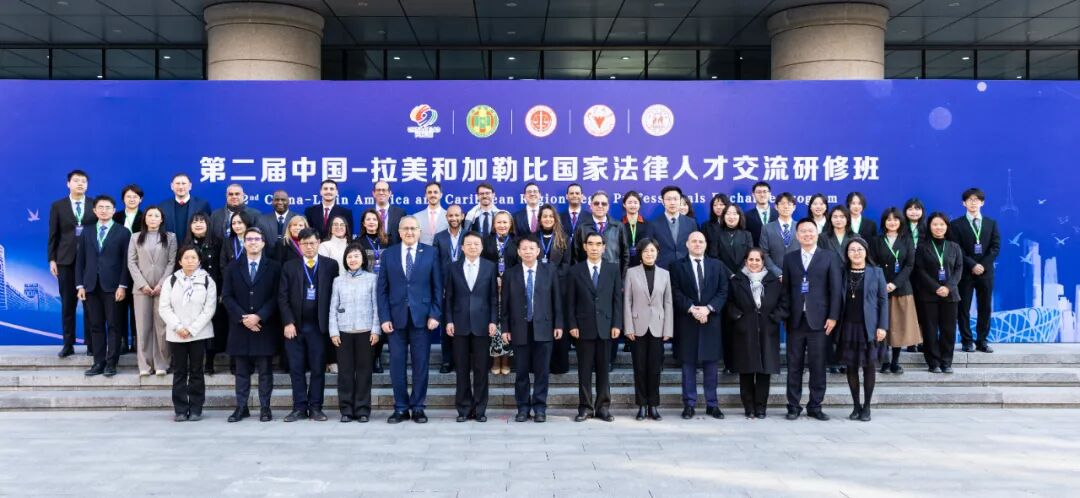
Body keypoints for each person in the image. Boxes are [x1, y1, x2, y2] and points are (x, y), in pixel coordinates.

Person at [377, 216, 443, 424]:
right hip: (395, 320)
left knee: (420, 365)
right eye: (405, 228)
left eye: (413, 228)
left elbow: (437, 287)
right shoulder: (389, 254)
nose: (409, 232)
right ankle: (401, 408)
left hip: (422, 319)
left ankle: (418, 407)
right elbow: (382, 290)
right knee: (396, 366)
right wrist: (384, 317)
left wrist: (435, 314)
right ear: (399, 231)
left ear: (419, 231)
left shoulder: (431, 253)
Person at [781, 218, 842, 421]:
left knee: (818, 366)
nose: (807, 234)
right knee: (794, 365)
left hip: (821, 321)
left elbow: (835, 290)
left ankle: (815, 406)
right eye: (803, 231)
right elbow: (786, 291)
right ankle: (793, 406)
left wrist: (833, 316)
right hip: (796, 321)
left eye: (811, 231)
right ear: (797, 235)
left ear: (817, 234)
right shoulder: (789, 258)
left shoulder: (829, 257)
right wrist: (786, 316)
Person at [278, 228, 339, 422]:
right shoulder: (289, 266)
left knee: (318, 369)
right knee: (296, 369)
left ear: (319, 242)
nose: (309, 247)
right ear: (299, 245)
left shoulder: (331, 265)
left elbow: (335, 296)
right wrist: (288, 321)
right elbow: (282, 297)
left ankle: (315, 408)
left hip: (318, 328)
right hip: (295, 327)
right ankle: (299, 408)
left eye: (312, 243)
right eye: (304, 244)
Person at [501, 236, 563, 423]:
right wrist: (505, 328)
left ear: (538, 251)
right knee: (521, 372)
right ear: (518, 252)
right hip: (519, 328)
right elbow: (505, 304)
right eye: (524, 248)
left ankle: (540, 408)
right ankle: (522, 408)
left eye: (531, 248)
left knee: (542, 372)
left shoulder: (549, 271)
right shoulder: (510, 274)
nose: (528, 251)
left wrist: (558, 324)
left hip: (544, 327)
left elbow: (556, 300)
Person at [221, 227, 280, 423]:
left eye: (256, 239)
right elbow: (227, 296)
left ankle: (265, 408)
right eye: (249, 239)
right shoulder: (232, 267)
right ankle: (241, 407)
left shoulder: (274, 267)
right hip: (240, 327)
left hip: (264, 327)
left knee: (265, 372)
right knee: (241, 372)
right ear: (244, 243)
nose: (253, 242)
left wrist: (259, 316)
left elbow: (277, 296)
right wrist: (244, 318)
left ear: (263, 243)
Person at [670, 231, 729, 420]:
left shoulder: (717, 265)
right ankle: (689, 404)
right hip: (687, 321)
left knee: (711, 367)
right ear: (687, 244)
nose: (697, 244)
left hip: (711, 321)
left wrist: (708, 309)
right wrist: (692, 309)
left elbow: (723, 291)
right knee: (688, 366)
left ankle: (712, 404)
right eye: (694, 241)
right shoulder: (676, 266)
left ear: (706, 244)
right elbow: (675, 291)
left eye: (701, 241)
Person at [567, 232, 623, 422]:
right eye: (590, 244)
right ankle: (585, 407)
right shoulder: (575, 270)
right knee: (584, 370)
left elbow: (617, 300)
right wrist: (572, 324)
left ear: (604, 247)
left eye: (598, 244)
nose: (594, 247)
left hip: (606, 327)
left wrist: (617, 323)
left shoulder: (612, 269)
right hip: (583, 328)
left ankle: (603, 407)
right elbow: (570, 301)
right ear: (584, 247)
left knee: (603, 370)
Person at [443, 232, 499, 423]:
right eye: (469, 244)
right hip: (459, 324)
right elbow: (448, 298)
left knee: (481, 369)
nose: (473, 247)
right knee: (462, 369)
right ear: (462, 247)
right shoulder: (453, 267)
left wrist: (493, 321)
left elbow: (493, 297)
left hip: (483, 324)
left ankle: (480, 409)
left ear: (482, 247)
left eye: (476, 244)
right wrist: (449, 321)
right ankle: (464, 409)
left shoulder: (490, 267)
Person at [158, 245, 217, 422]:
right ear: (179, 261)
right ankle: (181, 409)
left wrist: (192, 329)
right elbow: (164, 307)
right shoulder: (171, 281)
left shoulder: (207, 281)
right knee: (179, 371)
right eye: (186, 258)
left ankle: (196, 408)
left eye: (193, 258)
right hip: (177, 334)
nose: (190, 261)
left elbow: (209, 308)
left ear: (199, 261)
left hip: (199, 333)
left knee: (197, 371)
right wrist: (178, 327)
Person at [726, 248, 786, 419]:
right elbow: (729, 303)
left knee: (764, 372)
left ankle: (761, 407)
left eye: (757, 260)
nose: (754, 263)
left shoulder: (774, 281)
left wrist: (774, 318)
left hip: (767, 330)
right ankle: (749, 407)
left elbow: (784, 303)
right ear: (746, 261)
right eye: (750, 260)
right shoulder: (736, 280)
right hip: (744, 330)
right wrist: (738, 317)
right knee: (746, 370)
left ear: (763, 262)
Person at [76, 195, 132, 377]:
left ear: (114, 210)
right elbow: (80, 261)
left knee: (114, 325)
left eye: (108, 207)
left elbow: (126, 262)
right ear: (94, 210)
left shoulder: (123, 232)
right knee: (95, 325)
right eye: (100, 207)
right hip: (91, 286)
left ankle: (111, 363)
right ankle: (98, 362)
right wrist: (80, 285)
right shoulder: (87, 232)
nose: (104, 210)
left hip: (114, 287)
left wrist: (123, 285)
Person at [328, 244, 380, 423]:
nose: (353, 259)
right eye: (349, 256)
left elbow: (376, 307)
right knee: (345, 373)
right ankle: (346, 410)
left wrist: (376, 330)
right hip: (343, 332)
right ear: (345, 260)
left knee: (364, 372)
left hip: (366, 331)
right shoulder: (338, 280)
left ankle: (363, 409)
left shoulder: (372, 279)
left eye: (356, 256)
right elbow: (333, 307)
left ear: (363, 259)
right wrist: (334, 331)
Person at [837, 238, 888, 422]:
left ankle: (867, 407)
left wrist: (882, 326)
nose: (856, 253)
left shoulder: (876, 272)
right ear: (847, 253)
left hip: (869, 327)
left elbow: (883, 300)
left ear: (866, 252)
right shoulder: (842, 272)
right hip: (848, 326)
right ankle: (856, 406)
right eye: (852, 250)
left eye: (860, 249)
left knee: (868, 367)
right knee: (851, 368)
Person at [623, 238, 672, 421]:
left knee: (655, 369)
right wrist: (628, 327)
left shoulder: (665, 274)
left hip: (658, 327)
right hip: (637, 327)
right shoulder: (631, 273)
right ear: (640, 254)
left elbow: (668, 302)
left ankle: (653, 405)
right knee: (640, 368)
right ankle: (642, 405)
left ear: (657, 253)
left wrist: (668, 329)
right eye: (645, 251)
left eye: (652, 250)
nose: (649, 254)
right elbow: (627, 301)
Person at [126, 206, 178, 376]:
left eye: (156, 215)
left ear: (161, 219)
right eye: (150, 215)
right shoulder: (135, 237)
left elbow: (172, 262)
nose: (153, 218)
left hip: (163, 289)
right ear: (145, 219)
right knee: (143, 328)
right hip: (141, 290)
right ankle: (145, 366)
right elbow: (131, 263)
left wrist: (161, 284)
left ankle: (162, 363)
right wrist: (143, 285)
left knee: (161, 328)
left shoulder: (170, 237)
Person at [949, 187, 1001, 354]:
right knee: (963, 307)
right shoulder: (955, 225)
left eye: (976, 200)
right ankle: (967, 341)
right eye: (970, 200)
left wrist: (982, 265)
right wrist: (972, 265)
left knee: (985, 307)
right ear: (963, 203)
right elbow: (957, 248)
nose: (973, 203)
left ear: (982, 203)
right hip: (965, 272)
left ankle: (982, 341)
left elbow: (995, 247)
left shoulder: (991, 223)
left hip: (986, 272)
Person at [703, 203, 753, 374]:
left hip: (743, 282)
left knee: (742, 323)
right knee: (726, 324)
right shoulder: (717, 234)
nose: (731, 217)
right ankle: (728, 362)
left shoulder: (747, 235)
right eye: (728, 214)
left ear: (740, 217)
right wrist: (730, 274)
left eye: (735, 214)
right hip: (723, 282)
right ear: (723, 217)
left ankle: (741, 361)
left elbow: (750, 257)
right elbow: (714, 257)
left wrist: (739, 274)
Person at [871, 208, 922, 374]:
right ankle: (885, 362)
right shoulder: (876, 240)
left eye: (895, 219)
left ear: (900, 222)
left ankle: (895, 362)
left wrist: (895, 283)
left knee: (899, 326)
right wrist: (882, 283)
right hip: (880, 289)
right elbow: (872, 263)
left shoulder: (907, 240)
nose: (892, 222)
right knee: (882, 325)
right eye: (888, 219)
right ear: (884, 222)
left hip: (901, 289)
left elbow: (909, 265)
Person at [50, 169, 94, 358]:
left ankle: (92, 344)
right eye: (76, 180)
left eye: (83, 181)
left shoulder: (94, 204)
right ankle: (68, 344)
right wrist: (52, 259)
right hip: (65, 261)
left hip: (89, 261)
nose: (80, 183)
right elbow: (53, 235)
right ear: (68, 183)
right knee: (68, 304)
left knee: (91, 305)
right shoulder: (58, 206)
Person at [914, 213, 964, 374]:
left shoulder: (954, 247)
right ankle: (933, 362)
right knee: (930, 330)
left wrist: (948, 287)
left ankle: (946, 362)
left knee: (948, 330)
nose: (938, 227)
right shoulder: (922, 247)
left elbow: (958, 269)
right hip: (928, 295)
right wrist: (936, 287)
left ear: (947, 227)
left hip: (950, 295)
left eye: (942, 224)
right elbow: (919, 270)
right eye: (935, 224)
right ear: (929, 227)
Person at [183, 213, 227, 375]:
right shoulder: (185, 245)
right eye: (195, 222)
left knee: (211, 327)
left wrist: (222, 292)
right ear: (190, 226)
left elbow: (222, 269)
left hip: (212, 293)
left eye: (202, 221)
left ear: (208, 224)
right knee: (192, 326)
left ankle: (209, 362)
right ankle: (193, 363)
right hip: (190, 293)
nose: (198, 224)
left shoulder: (217, 243)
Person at [536, 205, 572, 375]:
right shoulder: (533, 238)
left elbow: (567, 264)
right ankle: (540, 365)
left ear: (555, 219)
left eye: (551, 216)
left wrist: (551, 276)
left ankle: (559, 365)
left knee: (558, 323)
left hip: (559, 287)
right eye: (545, 216)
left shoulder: (564, 239)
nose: (548, 219)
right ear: (540, 219)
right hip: (538, 288)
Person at [432, 204, 467, 374]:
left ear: (462, 216)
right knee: (447, 324)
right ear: (446, 217)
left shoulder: (470, 235)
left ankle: (462, 360)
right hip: (446, 286)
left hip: (466, 286)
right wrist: (439, 287)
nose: (454, 218)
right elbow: (435, 264)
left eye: (457, 215)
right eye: (450, 215)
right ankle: (447, 360)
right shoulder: (439, 237)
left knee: (464, 324)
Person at [355, 208, 389, 373]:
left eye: (374, 219)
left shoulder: (388, 240)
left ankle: (377, 357)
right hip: (365, 288)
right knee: (368, 323)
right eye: (368, 219)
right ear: (363, 223)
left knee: (381, 322)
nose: (371, 222)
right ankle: (367, 356)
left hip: (385, 287)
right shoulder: (357, 242)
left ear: (379, 222)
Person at [114, 184, 144, 354]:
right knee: (119, 308)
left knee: (137, 308)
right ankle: (123, 342)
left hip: (139, 269)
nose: (132, 199)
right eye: (128, 196)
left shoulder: (146, 217)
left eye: (135, 197)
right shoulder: (115, 216)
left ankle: (137, 342)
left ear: (141, 199)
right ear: (123, 199)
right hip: (118, 268)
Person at [572, 191, 629, 274]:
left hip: (612, 274)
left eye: (604, 204)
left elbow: (625, 255)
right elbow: (575, 256)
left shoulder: (618, 226)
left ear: (608, 207)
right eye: (596, 203)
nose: (600, 206)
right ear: (591, 206)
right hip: (587, 275)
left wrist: (621, 278)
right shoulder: (581, 228)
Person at [903, 198, 928, 354]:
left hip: (924, 274)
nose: (914, 212)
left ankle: (922, 340)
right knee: (909, 308)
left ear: (922, 211)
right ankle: (911, 341)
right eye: (910, 209)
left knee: (923, 308)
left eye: (917, 208)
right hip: (906, 274)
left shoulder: (928, 228)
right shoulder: (901, 228)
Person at [649, 185, 695, 270]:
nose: (672, 202)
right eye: (669, 199)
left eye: (675, 199)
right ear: (663, 201)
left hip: (686, 268)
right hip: (663, 269)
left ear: (680, 201)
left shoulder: (691, 223)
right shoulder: (653, 224)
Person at [157, 173, 211, 244]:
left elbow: (208, 229)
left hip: (194, 247)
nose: (181, 187)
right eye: (177, 183)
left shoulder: (202, 205)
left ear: (190, 186)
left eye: (184, 183)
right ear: (172, 186)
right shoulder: (163, 206)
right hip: (170, 247)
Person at [760, 192, 799, 278]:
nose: (786, 207)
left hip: (797, 275)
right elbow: (764, 253)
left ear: (794, 207)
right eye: (782, 203)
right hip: (774, 277)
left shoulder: (801, 227)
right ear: (776, 207)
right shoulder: (766, 228)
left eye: (789, 204)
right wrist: (778, 273)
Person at [620, 191, 653, 268]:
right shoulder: (619, 225)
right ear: (624, 204)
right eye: (630, 202)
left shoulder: (648, 225)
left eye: (635, 202)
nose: (633, 205)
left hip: (643, 264)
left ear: (640, 205)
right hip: (624, 264)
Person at [482, 210, 520, 275]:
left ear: (510, 224)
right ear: (494, 224)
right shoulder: (485, 241)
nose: (502, 225)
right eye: (499, 222)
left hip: (512, 278)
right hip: (490, 278)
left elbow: (519, 264)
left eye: (505, 222)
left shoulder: (518, 242)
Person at [744, 181, 779, 246]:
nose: (762, 195)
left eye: (765, 192)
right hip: (755, 251)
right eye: (759, 192)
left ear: (770, 194)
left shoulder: (779, 214)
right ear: (753, 195)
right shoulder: (746, 216)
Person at [373, 180, 406, 246]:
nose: (381, 192)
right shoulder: (368, 213)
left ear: (390, 193)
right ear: (373, 193)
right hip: (373, 249)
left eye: (384, 190)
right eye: (378, 190)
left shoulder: (400, 213)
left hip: (394, 250)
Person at [413, 181, 447, 246]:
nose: (432, 195)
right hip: (423, 252)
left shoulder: (448, 216)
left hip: (443, 252)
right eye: (429, 192)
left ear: (441, 195)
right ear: (426, 195)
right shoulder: (416, 217)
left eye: (435, 192)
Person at [561, 183, 591, 255]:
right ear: (567, 196)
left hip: (583, 256)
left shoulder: (590, 217)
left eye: (577, 193)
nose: (574, 195)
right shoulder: (559, 217)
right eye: (571, 193)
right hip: (563, 255)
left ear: (582, 196)